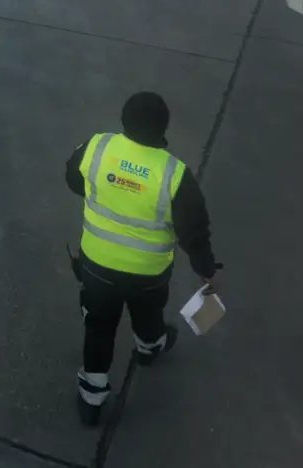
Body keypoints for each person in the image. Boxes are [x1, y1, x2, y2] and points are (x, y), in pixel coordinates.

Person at [65, 91, 220, 425]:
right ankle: (150, 347)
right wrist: (206, 269)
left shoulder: (97, 147)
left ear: (124, 120)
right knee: (148, 315)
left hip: (97, 268)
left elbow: (74, 181)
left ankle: (92, 398)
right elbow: (194, 231)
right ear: (163, 127)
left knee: (99, 328)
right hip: (148, 276)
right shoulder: (175, 174)